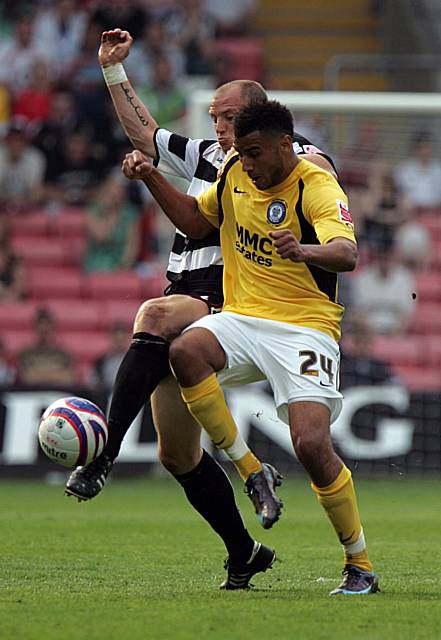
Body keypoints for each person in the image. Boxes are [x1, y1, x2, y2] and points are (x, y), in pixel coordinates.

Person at [65, 28, 335, 589]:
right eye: (213, 118)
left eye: (228, 118)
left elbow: (317, 186)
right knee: (177, 454)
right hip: (184, 295)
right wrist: (112, 70)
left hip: (231, 300)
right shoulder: (210, 157)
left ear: (260, 120)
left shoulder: (289, 160)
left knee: (152, 315)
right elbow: (145, 134)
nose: (217, 129)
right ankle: (244, 551)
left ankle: (102, 455)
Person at [122, 99, 379, 596]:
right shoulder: (237, 169)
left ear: (286, 144)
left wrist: (303, 249)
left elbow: (346, 252)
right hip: (243, 317)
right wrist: (153, 177)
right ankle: (252, 470)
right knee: (183, 352)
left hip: (306, 326)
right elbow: (198, 223)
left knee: (310, 445)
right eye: (242, 153)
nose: (249, 164)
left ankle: (359, 562)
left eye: (257, 153)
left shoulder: (316, 184)